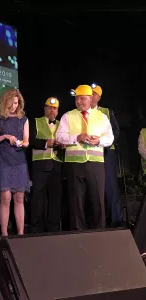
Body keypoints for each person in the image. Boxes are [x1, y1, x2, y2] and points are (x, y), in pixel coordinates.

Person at [56, 85, 114, 230]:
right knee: (76, 201)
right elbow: (59, 137)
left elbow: (110, 137)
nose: (79, 101)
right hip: (74, 164)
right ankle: (78, 233)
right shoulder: (67, 116)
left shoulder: (101, 116)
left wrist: (99, 141)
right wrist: (77, 137)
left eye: (82, 98)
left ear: (90, 99)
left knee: (97, 200)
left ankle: (99, 232)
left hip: (95, 164)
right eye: (77, 99)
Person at [0, 88, 30, 236]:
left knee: (19, 197)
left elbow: (26, 142)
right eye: (12, 103)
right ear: (6, 102)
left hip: (19, 160)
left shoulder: (23, 119)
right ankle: (4, 234)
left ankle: (20, 233)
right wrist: (5, 136)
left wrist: (20, 143)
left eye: (17, 103)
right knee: (5, 197)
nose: (14, 106)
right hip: (4, 159)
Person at [29, 97, 64, 233]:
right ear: (44, 108)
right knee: (37, 198)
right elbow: (30, 139)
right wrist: (45, 143)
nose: (52, 111)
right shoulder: (36, 121)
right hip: (40, 165)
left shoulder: (62, 124)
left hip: (57, 165)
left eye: (54, 108)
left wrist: (62, 145)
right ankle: (35, 229)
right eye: (49, 107)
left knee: (56, 198)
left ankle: (53, 229)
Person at [91, 83, 123, 227]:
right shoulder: (83, 113)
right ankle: (98, 221)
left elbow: (115, 131)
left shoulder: (106, 111)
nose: (90, 96)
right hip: (90, 153)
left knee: (110, 185)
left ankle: (116, 219)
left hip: (106, 152)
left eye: (93, 94)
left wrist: (104, 143)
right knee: (94, 187)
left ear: (98, 97)